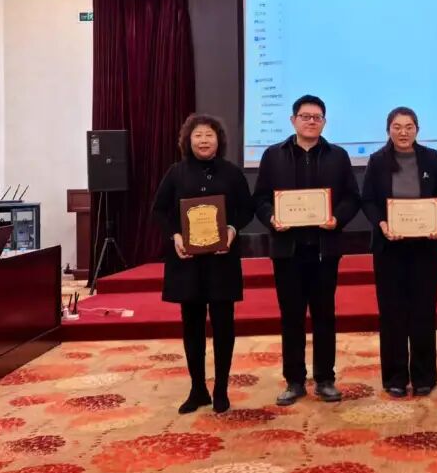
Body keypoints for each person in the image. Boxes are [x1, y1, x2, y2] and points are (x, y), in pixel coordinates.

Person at [253, 95, 361, 406]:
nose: (311, 121)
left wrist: (337, 218)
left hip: (324, 250)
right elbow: (260, 198)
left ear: (324, 122)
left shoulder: (338, 156)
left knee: (325, 316)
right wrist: (271, 219)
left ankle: (325, 379)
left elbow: (352, 198)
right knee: (291, 317)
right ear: (293, 120)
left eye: (317, 117)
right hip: (287, 251)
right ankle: (294, 380)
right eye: (305, 116)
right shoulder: (273, 156)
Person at [152, 114, 254, 415]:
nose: (204, 140)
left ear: (218, 140)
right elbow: (159, 210)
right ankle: (198, 389)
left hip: (222, 261)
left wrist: (232, 229)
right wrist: (175, 235)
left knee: (224, 325)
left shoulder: (232, 173)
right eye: (198, 135)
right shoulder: (176, 173)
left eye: (209, 135)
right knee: (192, 326)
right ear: (188, 140)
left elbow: (246, 209)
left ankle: (221, 388)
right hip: (187, 262)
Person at [361, 107, 437, 398]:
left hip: (424, 247)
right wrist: (382, 223)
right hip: (389, 248)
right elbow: (368, 200)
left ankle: (424, 376)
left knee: (423, 312)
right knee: (392, 314)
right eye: (397, 127)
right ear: (388, 129)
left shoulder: (430, 158)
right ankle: (395, 377)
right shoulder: (377, 161)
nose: (403, 132)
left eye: (409, 126)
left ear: (417, 129)